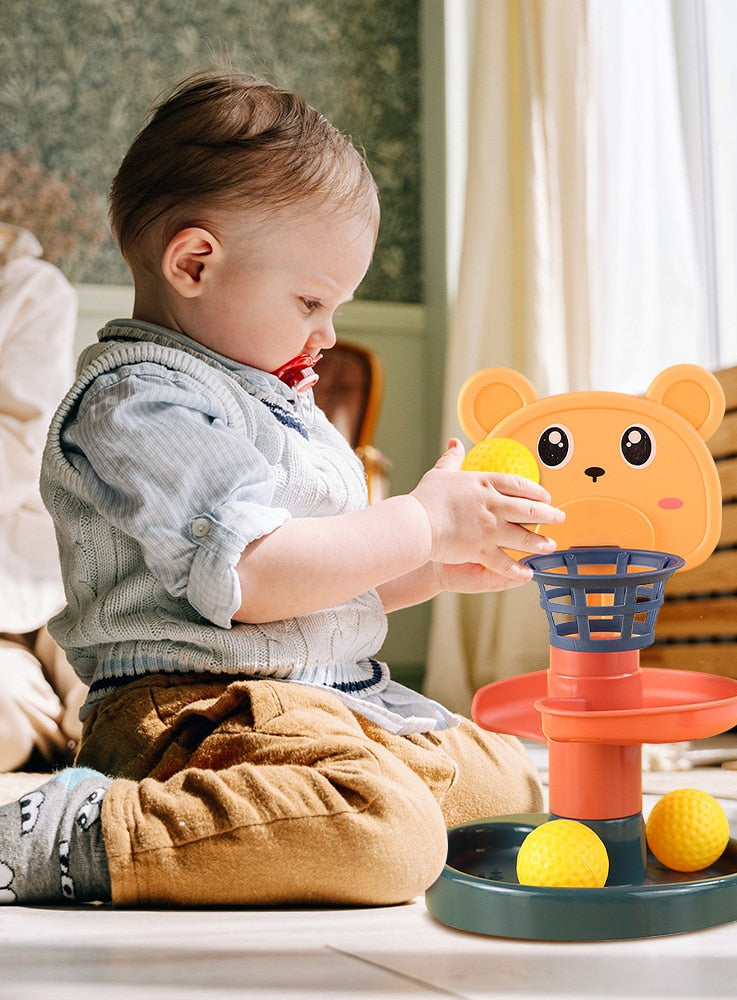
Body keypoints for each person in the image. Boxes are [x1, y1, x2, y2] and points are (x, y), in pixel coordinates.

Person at [0, 70, 563, 907]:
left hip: (313, 698)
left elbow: (314, 584)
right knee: (385, 834)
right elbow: (257, 577)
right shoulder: (140, 400)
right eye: (310, 299)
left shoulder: (269, 395)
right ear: (194, 262)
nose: (326, 331)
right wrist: (417, 521)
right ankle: (74, 832)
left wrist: (433, 566)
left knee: (510, 792)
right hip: (197, 714)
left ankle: (310, 809)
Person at [0, 223, 87, 773]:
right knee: (8, 702)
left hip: (46, 574)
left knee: (115, 692)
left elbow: (23, 441)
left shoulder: (33, 289)